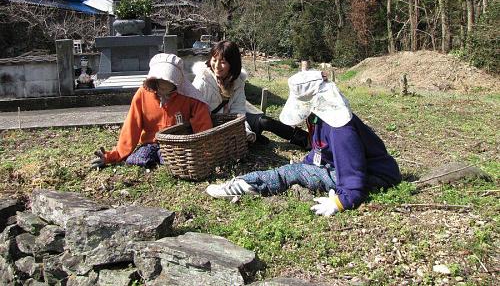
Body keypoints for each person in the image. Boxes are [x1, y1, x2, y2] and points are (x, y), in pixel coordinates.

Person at [206, 70, 402, 216]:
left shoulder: (340, 128)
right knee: (301, 167)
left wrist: (341, 201)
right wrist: (308, 162)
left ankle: (247, 184)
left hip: (375, 176)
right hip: (361, 171)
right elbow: (321, 150)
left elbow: (353, 170)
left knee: (294, 172)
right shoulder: (319, 119)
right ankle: (248, 182)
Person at [91, 53, 212, 169]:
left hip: (176, 144)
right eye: (159, 80)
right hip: (150, 143)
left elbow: (203, 126)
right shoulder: (143, 94)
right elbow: (132, 125)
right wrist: (113, 155)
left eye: (168, 80)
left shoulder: (190, 97)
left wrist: (205, 153)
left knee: (175, 161)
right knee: (136, 160)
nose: (162, 84)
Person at [192, 40, 310, 149]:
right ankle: (254, 139)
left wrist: (245, 131)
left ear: (232, 64)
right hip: (212, 126)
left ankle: (305, 139)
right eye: (214, 59)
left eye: (222, 62)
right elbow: (195, 113)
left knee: (264, 121)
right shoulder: (203, 80)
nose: (216, 66)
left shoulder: (237, 82)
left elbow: (238, 112)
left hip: (233, 122)